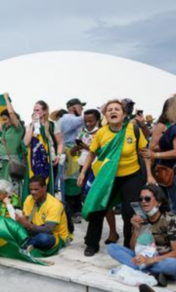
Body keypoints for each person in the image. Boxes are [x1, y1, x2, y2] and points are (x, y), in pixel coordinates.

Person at [78, 99, 156, 256]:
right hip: (108, 177)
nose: (113, 111)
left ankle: (128, 246)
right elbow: (92, 153)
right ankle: (92, 244)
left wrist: (149, 175)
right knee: (97, 208)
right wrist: (82, 172)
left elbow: (144, 153)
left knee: (130, 212)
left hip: (132, 176)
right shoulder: (102, 133)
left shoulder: (133, 129)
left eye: (117, 109)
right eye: (110, 110)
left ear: (124, 114)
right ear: (106, 115)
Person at [108, 185, 176, 284]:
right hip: (143, 257)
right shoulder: (140, 218)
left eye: (147, 199)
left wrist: (151, 260)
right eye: (141, 199)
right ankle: (151, 272)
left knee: (173, 265)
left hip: (162, 259)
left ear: (158, 202)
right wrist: (136, 229)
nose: (143, 201)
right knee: (112, 248)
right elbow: (133, 249)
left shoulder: (170, 220)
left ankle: (141, 269)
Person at [73, 109, 119, 243]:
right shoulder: (82, 133)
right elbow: (73, 154)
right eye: (85, 121)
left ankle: (112, 232)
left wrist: (88, 148)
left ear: (98, 120)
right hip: (84, 170)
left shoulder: (103, 133)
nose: (87, 123)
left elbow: (103, 153)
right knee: (88, 201)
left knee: (105, 202)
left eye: (90, 121)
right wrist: (76, 148)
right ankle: (92, 234)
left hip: (99, 170)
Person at [18, 175, 69, 252]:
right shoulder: (29, 199)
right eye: (31, 189)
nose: (32, 192)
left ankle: (26, 245)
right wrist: (20, 221)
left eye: (36, 189)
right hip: (34, 232)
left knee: (43, 238)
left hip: (54, 236)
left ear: (44, 188)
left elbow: (48, 230)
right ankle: (30, 244)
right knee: (14, 227)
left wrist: (29, 225)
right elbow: (27, 219)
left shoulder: (54, 204)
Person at [23, 101, 63, 198]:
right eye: (34, 110)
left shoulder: (52, 125)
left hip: (49, 161)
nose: (35, 112)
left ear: (44, 111)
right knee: (34, 187)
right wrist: (33, 124)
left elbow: (60, 143)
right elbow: (25, 142)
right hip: (34, 162)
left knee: (47, 185)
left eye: (37, 110)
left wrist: (58, 155)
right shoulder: (30, 125)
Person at [0, 93, 25, 196]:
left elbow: (11, 113)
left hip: (11, 162)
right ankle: (4, 205)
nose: (4, 122)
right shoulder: (5, 129)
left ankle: (14, 205)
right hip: (2, 162)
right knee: (2, 186)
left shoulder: (18, 129)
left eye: (5, 119)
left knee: (12, 186)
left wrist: (6, 99)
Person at [147, 95, 176, 212]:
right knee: (167, 201)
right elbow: (152, 147)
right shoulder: (162, 125)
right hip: (165, 168)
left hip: (171, 166)